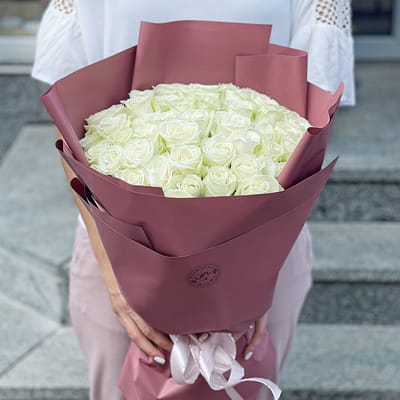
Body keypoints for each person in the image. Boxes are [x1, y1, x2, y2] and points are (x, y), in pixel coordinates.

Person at [32, 1, 355, 399]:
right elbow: (68, 121)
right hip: (114, 255)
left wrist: (254, 280)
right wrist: (115, 277)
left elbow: (312, 122)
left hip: (269, 258)